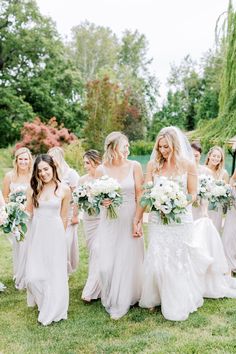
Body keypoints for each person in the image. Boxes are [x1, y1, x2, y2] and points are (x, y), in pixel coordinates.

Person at [134, 127, 236, 322]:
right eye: (160, 147)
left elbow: (193, 193)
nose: (163, 150)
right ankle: (155, 296)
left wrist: (175, 203)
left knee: (177, 258)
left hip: (180, 218)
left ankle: (178, 298)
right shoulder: (153, 165)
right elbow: (146, 193)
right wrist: (137, 219)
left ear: (175, 145)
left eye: (166, 147)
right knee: (157, 255)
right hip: (157, 219)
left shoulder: (188, 165)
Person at [95, 132, 144, 320]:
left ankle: (128, 296)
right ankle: (111, 292)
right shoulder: (101, 170)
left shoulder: (135, 166)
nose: (127, 149)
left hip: (129, 216)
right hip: (109, 219)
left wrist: (137, 219)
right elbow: (96, 196)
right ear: (113, 147)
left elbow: (140, 194)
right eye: (124, 145)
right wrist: (102, 201)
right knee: (106, 264)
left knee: (128, 257)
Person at [25, 154, 71, 326]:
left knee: (55, 272)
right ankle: (44, 301)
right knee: (32, 276)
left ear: (53, 168)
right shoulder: (33, 189)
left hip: (55, 234)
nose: (43, 173)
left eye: (46, 169)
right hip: (37, 234)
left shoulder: (64, 189)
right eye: (39, 171)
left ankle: (54, 307)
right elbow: (28, 212)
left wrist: (61, 238)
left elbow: (64, 216)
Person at [2, 147, 33, 289]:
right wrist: (13, 208)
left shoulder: (33, 175)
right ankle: (19, 275)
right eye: (20, 159)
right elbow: (5, 196)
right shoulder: (9, 176)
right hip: (16, 217)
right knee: (18, 245)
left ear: (30, 160)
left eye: (26, 159)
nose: (23, 162)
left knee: (29, 246)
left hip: (30, 216)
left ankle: (29, 275)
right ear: (16, 160)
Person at [48, 147, 80, 274]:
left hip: (69, 211)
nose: (50, 160)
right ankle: (56, 268)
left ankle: (65, 269)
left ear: (59, 157)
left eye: (52, 157)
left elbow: (78, 195)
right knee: (55, 241)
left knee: (66, 241)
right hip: (54, 212)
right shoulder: (50, 173)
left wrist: (76, 215)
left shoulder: (70, 173)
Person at [79, 150, 102, 302]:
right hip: (88, 219)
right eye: (84, 163)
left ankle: (91, 289)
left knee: (98, 249)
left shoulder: (103, 178)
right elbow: (77, 199)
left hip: (102, 219)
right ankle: (101, 286)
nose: (86, 166)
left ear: (95, 162)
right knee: (92, 251)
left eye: (88, 162)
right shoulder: (82, 180)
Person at [205, 146, 229, 233]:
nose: (216, 158)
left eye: (218, 157)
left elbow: (227, 192)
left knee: (213, 231)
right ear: (209, 156)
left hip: (216, 209)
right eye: (214, 156)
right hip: (203, 205)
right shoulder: (202, 170)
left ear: (221, 159)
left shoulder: (224, 173)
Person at [191, 142, 212, 220]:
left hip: (201, 206)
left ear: (200, 155)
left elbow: (208, 192)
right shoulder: (183, 171)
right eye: (191, 155)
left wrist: (205, 210)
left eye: (196, 155)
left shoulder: (207, 171)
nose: (194, 158)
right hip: (187, 205)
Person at [222, 170, 236, 273]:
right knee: (229, 233)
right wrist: (231, 191)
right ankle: (228, 264)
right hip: (234, 202)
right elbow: (233, 178)